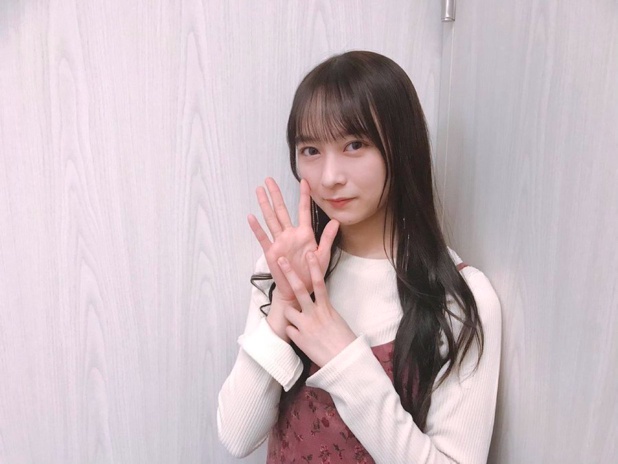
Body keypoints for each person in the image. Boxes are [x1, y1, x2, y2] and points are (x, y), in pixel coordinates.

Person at [217, 50, 501, 464]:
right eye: (310, 150)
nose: (330, 176)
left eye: (354, 145)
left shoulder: (459, 298)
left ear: (400, 148)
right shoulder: (287, 269)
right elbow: (237, 436)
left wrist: (344, 360)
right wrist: (284, 305)